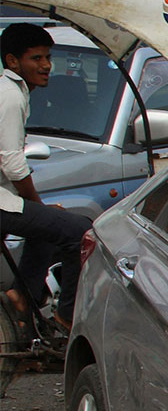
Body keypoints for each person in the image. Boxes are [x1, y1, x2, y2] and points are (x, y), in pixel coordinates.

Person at [1, 25, 94, 332]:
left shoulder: (13, 91)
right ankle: (68, 316)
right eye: (36, 58)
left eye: (48, 57)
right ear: (13, 62)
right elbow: (13, 164)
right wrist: (38, 204)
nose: (45, 66)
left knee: (46, 228)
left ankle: (22, 297)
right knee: (80, 231)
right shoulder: (10, 96)